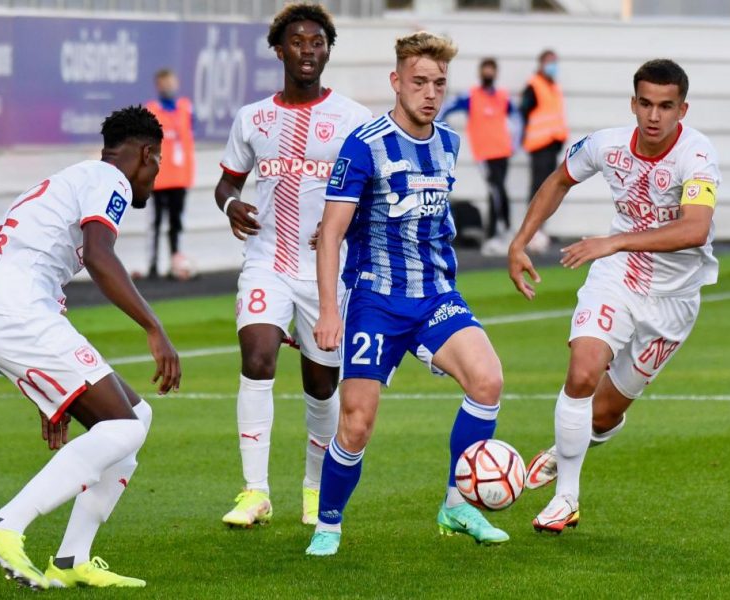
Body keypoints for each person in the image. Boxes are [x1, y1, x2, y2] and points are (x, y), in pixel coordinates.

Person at [306, 31, 508, 557]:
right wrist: (329, 311)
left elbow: (433, 220)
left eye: (439, 83)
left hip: (435, 293)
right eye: (419, 81)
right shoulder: (364, 145)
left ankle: (456, 504)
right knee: (357, 422)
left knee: (487, 380)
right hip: (375, 298)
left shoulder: (449, 143)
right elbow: (329, 233)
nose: (430, 93)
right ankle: (328, 523)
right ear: (396, 82)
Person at [0, 105, 181, 589]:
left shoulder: (65, 180)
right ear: (146, 154)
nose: (155, 176)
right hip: (18, 315)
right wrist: (154, 327)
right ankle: (4, 526)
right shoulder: (110, 180)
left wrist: (55, 395)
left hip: (5, 315)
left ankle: (71, 559)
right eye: (158, 163)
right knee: (122, 429)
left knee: (136, 416)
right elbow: (101, 257)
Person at [508, 59, 720, 533]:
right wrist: (521, 240)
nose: (654, 116)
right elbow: (559, 179)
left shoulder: (698, 155)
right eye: (645, 103)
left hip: (673, 301)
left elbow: (694, 228)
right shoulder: (606, 145)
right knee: (583, 373)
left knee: (603, 415)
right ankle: (567, 498)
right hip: (618, 278)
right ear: (633, 103)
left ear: (682, 109)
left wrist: (616, 239)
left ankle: (564, 449)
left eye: (666, 106)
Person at [214, 2, 372, 528]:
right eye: (298, 42)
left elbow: (373, 190)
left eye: (318, 42)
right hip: (267, 262)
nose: (308, 51)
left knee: (321, 387)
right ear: (279, 50)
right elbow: (228, 181)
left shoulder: (353, 119)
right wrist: (229, 204)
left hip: (327, 272)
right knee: (257, 359)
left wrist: (342, 225)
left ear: (327, 50)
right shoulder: (252, 118)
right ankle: (254, 491)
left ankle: (313, 486)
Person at [439, 57, 517, 255]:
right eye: (486, 70)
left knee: (498, 192)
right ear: (480, 73)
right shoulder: (471, 96)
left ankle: (498, 234)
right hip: (484, 153)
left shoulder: (502, 96)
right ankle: (499, 233)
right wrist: (440, 129)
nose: (488, 74)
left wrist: (515, 143)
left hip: (503, 151)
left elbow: (516, 118)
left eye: (492, 71)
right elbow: (446, 108)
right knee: (496, 191)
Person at [145, 68, 196, 280]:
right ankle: (153, 265)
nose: (169, 87)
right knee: (156, 223)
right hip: (159, 177)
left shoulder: (185, 108)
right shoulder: (151, 110)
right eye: (164, 84)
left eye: (171, 83)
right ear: (158, 86)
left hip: (180, 176)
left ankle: (175, 262)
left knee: (176, 222)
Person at [520, 49, 569, 253]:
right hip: (539, 144)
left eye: (555, 62)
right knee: (538, 189)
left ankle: (541, 229)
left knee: (549, 189)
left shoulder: (553, 87)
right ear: (540, 63)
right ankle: (531, 232)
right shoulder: (534, 86)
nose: (553, 66)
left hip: (552, 145)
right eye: (550, 62)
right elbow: (524, 111)